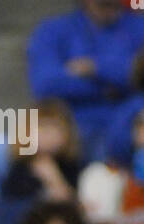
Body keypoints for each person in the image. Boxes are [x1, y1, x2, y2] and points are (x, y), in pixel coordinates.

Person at [27, 0, 144, 161]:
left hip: (126, 126)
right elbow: (45, 84)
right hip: (71, 125)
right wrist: (110, 87)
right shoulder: (54, 30)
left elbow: (136, 73)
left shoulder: (139, 28)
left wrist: (96, 67)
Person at [0, 98, 81, 202]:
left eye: (54, 128)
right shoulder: (20, 169)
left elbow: (74, 204)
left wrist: (55, 180)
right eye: (42, 128)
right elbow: (11, 202)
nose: (48, 136)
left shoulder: (71, 167)